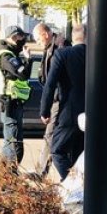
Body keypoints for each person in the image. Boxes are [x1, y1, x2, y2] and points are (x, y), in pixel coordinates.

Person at [40, 23, 86, 181]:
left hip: (70, 113)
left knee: (57, 150)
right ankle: (80, 183)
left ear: (73, 37)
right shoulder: (98, 56)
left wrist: (44, 110)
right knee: (79, 152)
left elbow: (50, 84)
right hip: (92, 113)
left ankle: (73, 183)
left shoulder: (63, 55)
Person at [33, 22, 70, 176]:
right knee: (54, 136)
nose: (37, 43)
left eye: (38, 39)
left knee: (51, 134)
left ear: (45, 34)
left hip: (60, 99)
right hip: (56, 98)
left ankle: (41, 172)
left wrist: (46, 108)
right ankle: (42, 170)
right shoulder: (49, 48)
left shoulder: (60, 47)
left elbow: (55, 79)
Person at [0, 25, 33, 167]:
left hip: (14, 101)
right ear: (14, 37)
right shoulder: (6, 56)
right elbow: (23, 74)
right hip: (10, 102)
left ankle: (7, 177)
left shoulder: (10, 53)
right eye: (22, 37)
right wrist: (28, 59)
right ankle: (8, 177)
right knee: (12, 141)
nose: (24, 40)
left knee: (13, 140)